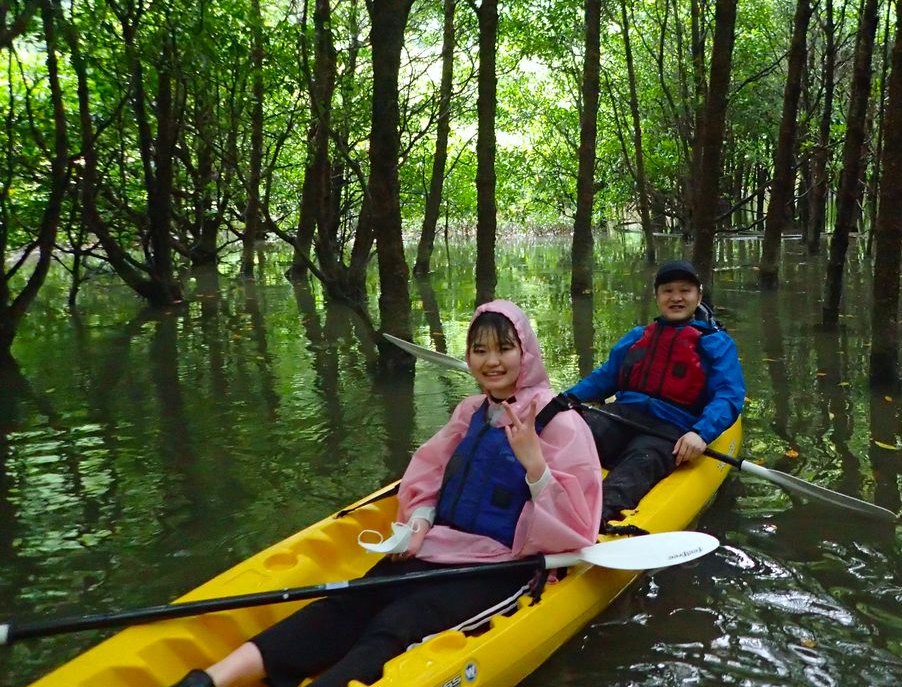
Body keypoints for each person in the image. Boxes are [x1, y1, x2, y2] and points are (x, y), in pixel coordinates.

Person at [170, 300, 602, 687]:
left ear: (524, 353)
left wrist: (535, 465)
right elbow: (428, 476)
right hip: (436, 549)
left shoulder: (560, 423)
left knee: (398, 623)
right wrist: (419, 522)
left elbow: (576, 529)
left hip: (499, 568)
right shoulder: (470, 411)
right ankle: (208, 680)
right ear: (468, 356)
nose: (491, 361)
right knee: (344, 604)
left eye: (504, 349)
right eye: (480, 350)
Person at [559, 260, 745, 533]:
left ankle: (593, 523)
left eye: (685, 290)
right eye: (668, 291)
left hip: (671, 429)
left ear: (699, 296)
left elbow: (728, 396)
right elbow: (604, 378)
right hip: (622, 415)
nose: (677, 297)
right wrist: (565, 400)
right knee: (570, 435)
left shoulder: (715, 345)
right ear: (657, 297)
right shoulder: (637, 337)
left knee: (640, 461)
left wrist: (701, 434)